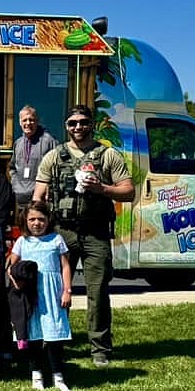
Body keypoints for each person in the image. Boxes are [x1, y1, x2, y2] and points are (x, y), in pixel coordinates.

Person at [33, 105, 135, 367]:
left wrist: (102, 188)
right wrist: (37, 232)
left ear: (92, 124)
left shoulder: (108, 155)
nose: (78, 127)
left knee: (98, 291)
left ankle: (100, 349)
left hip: (96, 232)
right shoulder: (54, 157)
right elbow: (39, 197)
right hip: (62, 232)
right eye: (72, 123)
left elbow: (128, 191)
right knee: (55, 290)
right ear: (66, 126)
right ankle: (55, 343)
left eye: (83, 122)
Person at [7, 200, 73, 391]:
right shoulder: (22, 242)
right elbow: (11, 266)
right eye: (32, 219)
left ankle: (58, 376)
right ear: (25, 221)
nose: (37, 223)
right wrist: (16, 283)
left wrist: (67, 290)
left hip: (53, 294)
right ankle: (36, 374)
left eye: (41, 219)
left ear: (48, 220)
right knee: (34, 336)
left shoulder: (56, 239)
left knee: (54, 337)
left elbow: (66, 266)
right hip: (31, 295)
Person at [9, 105, 59, 210]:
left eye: (31, 120)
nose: (28, 123)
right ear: (20, 122)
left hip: (39, 197)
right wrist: (16, 185)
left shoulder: (49, 141)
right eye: (24, 120)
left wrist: (45, 188)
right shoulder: (18, 143)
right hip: (20, 197)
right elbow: (12, 167)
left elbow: (56, 167)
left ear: (37, 121)